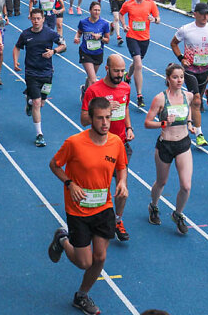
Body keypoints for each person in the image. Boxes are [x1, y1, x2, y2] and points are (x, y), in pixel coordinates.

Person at [48, 97, 128, 315]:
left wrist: (122, 182)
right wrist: (69, 183)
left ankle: (81, 295)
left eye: (108, 118)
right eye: (100, 118)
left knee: (100, 257)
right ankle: (62, 239)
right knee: (84, 262)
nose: (105, 123)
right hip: (78, 210)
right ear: (91, 119)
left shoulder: (116, 142)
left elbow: (121, 167)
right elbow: (54, 164)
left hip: (103, 208)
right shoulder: (74, 143)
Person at [81, 55, 133, 242]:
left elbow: (125, 109)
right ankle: (90, 218)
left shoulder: (126, 87)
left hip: (120, 146)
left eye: (122, 71)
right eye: (116, 71)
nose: (120, 75)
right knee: (98, 187)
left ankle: (118, 219)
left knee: (122, 188)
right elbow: (84, 119)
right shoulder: (94, 90)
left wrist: (129, 128)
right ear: (107, 69)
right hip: (98, 147)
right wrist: (103, 110)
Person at [144, 63, 195, 234]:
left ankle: (178, 214)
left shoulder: (188, 96)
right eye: (175, 77)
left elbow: (188, 110)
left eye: (181, 77)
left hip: (183, 144)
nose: (179, 80)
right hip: (165, 145)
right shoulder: (160, 99)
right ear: (168, 79)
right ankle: (153, 205)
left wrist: (190, 123)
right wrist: (163, 123)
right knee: (162, 182)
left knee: (186, 186)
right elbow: (147, 122)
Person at [170, 2, 208, 147]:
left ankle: (186, 116)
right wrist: (181, 58)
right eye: (203, 14)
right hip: (190, 70)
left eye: (207, 13)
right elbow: (173, 43)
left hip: (204, 70)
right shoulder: (186, 29)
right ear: (195, 14)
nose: (206, 16)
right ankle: (199, 134)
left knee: (195, 100)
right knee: (198, 100)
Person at [13, 8, 66, 147]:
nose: (36, 21)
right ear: (30, 19)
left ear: (43, 19)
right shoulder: (25, 34)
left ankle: (29, 101)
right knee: (37, 103)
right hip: (31, 73)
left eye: (38, 18)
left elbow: (63, 45)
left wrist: (54, 51)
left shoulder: (50, 33)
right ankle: (39, 135)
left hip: (47, 73)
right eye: (34, 18)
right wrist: (15, 61)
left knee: (41, 103)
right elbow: (17, 47)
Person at [119, 0, 160, 107]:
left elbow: (158, 19)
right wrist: (124, 25)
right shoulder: (129, 4)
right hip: (132, 37)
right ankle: (139, 95)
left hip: (145, 39)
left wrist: (154, 19)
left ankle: (127, 76)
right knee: (139, 64)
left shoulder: (150, 4)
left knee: (137, 63)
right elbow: (121, 14)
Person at [74, 1, 110, 94]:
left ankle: (85, 91)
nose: (97, 12)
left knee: (91, 77)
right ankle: (89, 100)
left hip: (98, 53)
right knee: (93, 80)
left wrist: (100, 38)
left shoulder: (104, 24)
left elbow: (107, 40)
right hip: (85, 52)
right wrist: (76, 37)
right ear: (90, 10)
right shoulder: (83, 22)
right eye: (95, 10)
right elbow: (79, 32)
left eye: (98, 10)